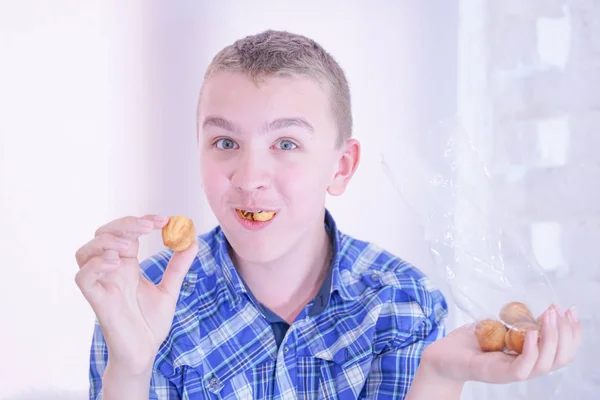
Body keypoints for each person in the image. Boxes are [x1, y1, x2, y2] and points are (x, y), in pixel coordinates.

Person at [74, 30, 582, 399]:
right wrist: (131, 369)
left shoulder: (402, 304)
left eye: (286, 143)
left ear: (341, 167)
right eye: (225, 142)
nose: (250, 176)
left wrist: (439, 378)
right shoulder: (142, 302)